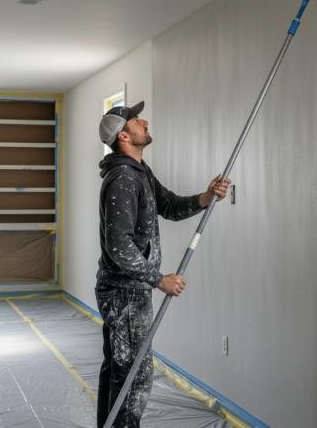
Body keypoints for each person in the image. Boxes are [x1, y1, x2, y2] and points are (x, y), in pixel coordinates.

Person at [95, 101, 231, 427]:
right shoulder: (124, 178)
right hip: (125, 294)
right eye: (136, 120)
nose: (144, 121)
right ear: (124, 134)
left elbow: (168, 205)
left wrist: (206, 196)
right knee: (134, 377)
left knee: (119, 370)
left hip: (126, 291)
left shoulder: (139, 172)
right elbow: (119, 246)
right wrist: (158, 279)